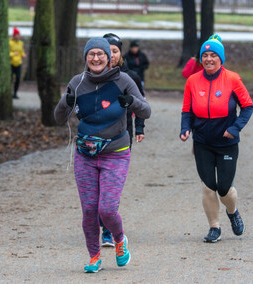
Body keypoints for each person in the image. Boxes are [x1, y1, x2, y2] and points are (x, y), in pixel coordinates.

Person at [54, 38, 151, 272]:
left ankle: (119, 239)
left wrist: (133, 102)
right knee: (89, 209)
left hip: (115, 153)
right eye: (91, 54)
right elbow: (58, 118)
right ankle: (94, 257)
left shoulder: (123, 80)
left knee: (106, 209)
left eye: (101, 54)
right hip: (85, 154)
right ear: (86, 57)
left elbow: (146, 110)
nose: (96, 58)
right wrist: (65, 102)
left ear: (109, 57)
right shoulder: (77, 83)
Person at [179, 34, 253, 243]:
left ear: (221, 59)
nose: (209, 59)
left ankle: (233, 211)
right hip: (202, 142)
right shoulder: (193, 81)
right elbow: (187, 111)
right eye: (205, 55)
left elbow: (248, 107)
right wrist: (185, 129)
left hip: (226, 142)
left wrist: (235, 127)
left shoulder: (232, 79)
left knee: (224, 188)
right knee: (208, 185)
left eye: (213, 55)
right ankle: (214, 227)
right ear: (201, 58)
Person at [98, 33, 146, 248]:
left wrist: (140, 128)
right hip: (95, 137)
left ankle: (107, 230)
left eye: (115, 51)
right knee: (98, 184)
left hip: (122, 136)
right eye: (107, 51)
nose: (112, 55)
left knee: (112, 183)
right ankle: (104, 222)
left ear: (120, 53)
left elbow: (141, 104)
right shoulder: (91, 77)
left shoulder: (130, 77)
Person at [9, 27, 26, 99]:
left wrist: (23, 54)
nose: (19, 36)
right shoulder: (9, 43)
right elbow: (7, 53)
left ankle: (15, 93)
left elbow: (21, 51)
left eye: (19, 35)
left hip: (18, 63)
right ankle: (8, 92)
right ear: (14, 35)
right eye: (17, 35)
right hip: (11, 63)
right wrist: (13, 54)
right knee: (10, 79)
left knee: (18, 78)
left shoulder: (21, 43)